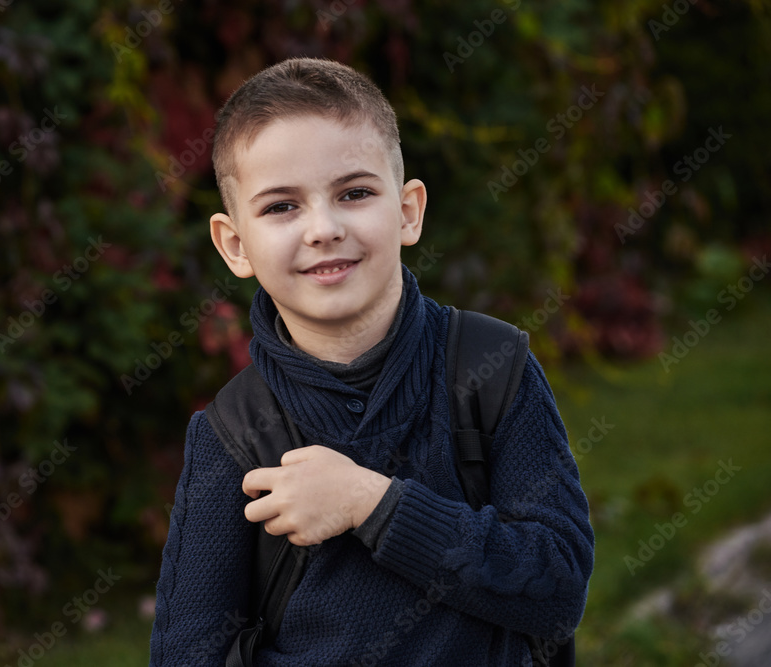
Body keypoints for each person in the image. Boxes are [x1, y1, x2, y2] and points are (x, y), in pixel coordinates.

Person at [149, 57, 594, 666]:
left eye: (354, 193)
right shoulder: (233, 435)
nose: (323, 228)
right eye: (281, 207)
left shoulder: (491, 369)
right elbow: (187, 653)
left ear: (408, 211)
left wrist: (372, 504)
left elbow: (558, 588)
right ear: (235, 245)